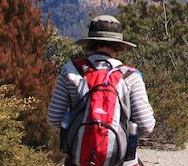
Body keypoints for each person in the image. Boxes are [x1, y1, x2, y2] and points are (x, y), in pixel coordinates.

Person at [47, 15, 156, 166]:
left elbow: (53, 118)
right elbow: (146, 125)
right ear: (119, 45)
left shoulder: (71, 71)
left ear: (90, 42)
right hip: (121, 161)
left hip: (78, 160)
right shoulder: (130, 76)